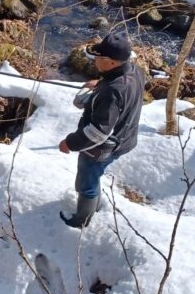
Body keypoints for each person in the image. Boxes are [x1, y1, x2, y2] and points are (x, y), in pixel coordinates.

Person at [58, 30, 145, 228]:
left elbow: (98, 132)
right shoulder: (135, 71)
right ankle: (91, 208)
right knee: (93, 174)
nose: (94, 61)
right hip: (125, 137)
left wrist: (70, 143)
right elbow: (121, 86)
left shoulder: (113, 91)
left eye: (98, 57)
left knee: (88, 179)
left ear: (112, 62)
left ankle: (82, 220)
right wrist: (101, 83)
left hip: (102, 147)